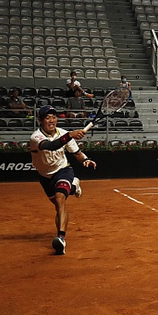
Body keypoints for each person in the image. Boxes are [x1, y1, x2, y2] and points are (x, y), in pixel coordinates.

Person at [28, 105, 96, 255]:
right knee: (59, 205)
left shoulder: (63, 133)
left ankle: (61, 238)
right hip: (45, 177)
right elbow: (51, 146)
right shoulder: (36, 137)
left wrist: (85, 160)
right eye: (47, 117)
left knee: (60, 199)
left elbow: (76, 152)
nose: (51, 120)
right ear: (40, 120)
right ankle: (74, 187)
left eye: (54, 117)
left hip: (63, 170)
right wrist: (71, 134)